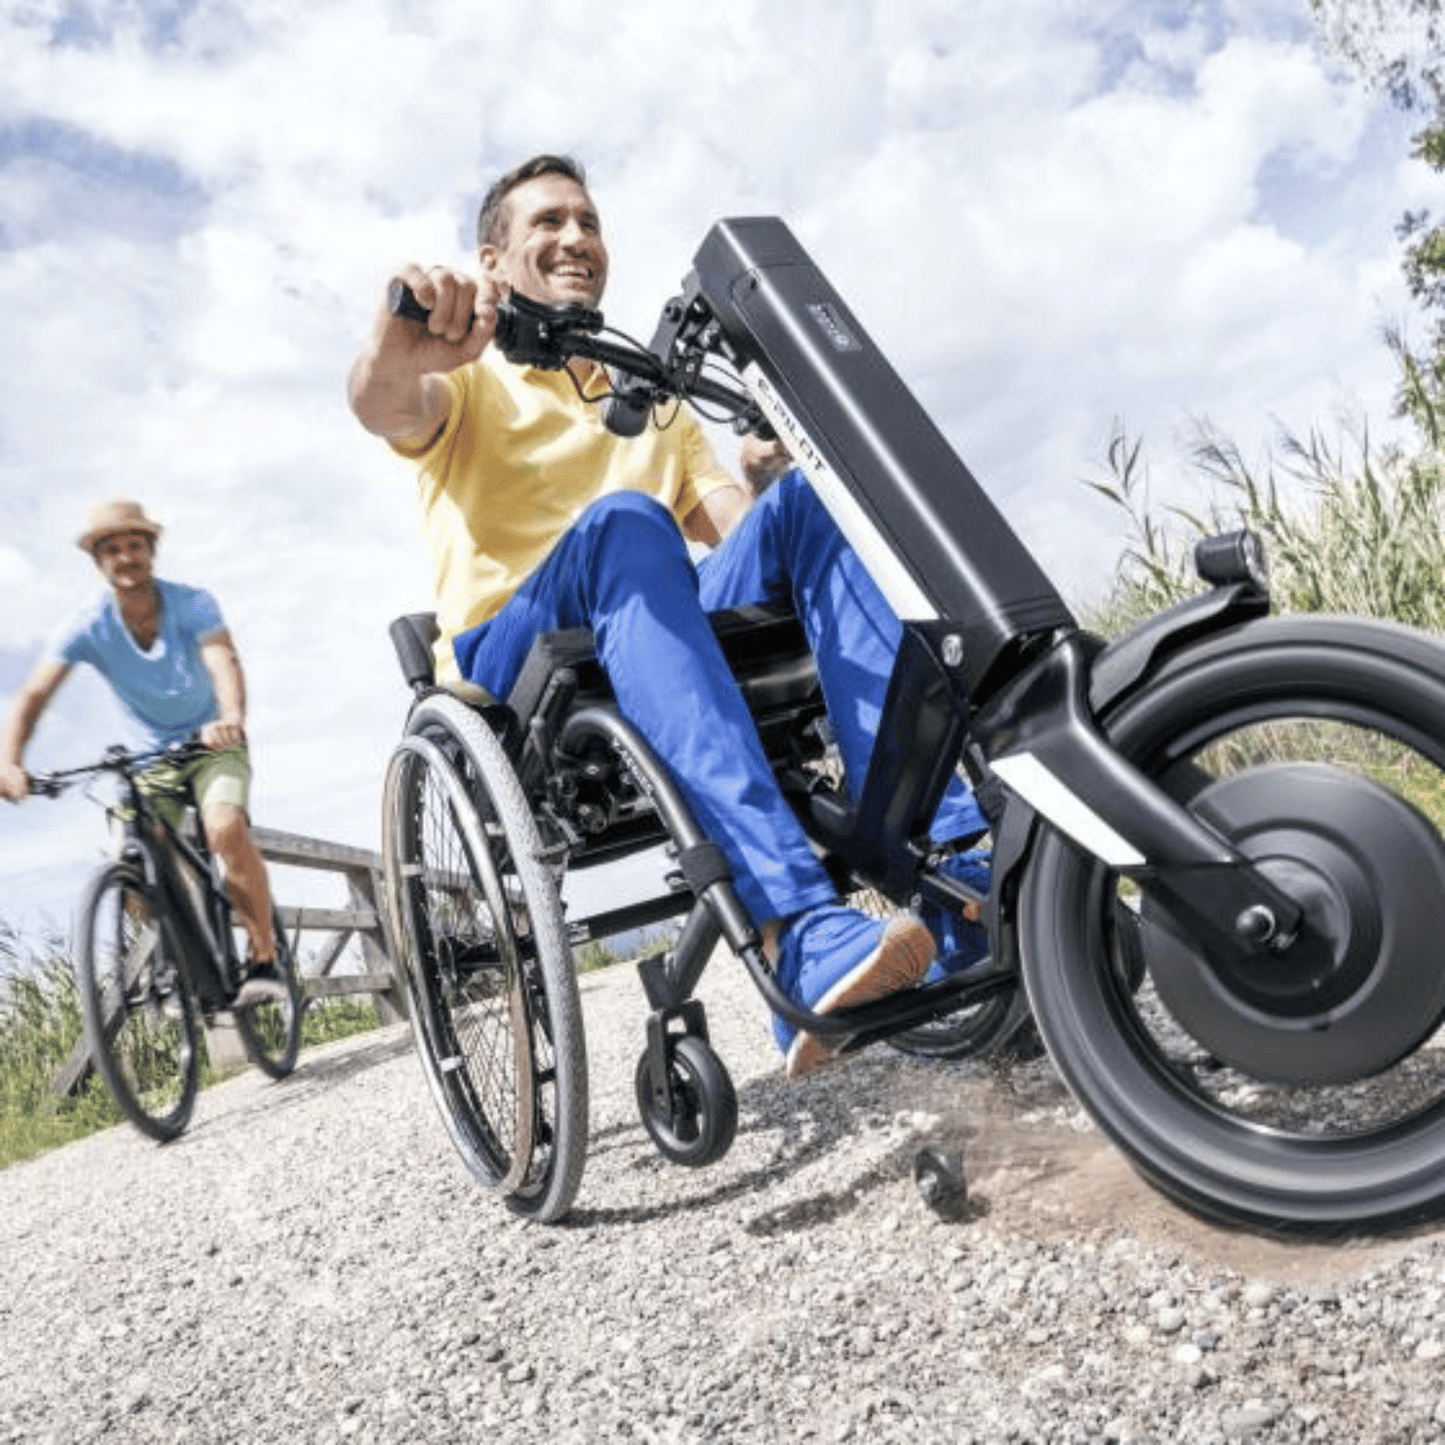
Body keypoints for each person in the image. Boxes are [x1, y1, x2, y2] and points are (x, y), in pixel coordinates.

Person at [348, 153, 986, 1078]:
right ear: (491, 262)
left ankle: (952, 866)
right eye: (549, 224)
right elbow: (384, 401)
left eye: (589, 222)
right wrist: (392, 348)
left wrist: (771, 488)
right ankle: (795, 927)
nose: (577, 239)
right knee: (627, 522)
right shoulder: (467, 375)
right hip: (519, 658)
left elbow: (735, 545)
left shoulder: (645, 395)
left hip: (653, 620)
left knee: (811, 501)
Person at [0, 499, 285, 1004]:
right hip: (148, 758)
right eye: (112, 549)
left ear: (151, 552)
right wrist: (9, 761)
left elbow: (222, 658)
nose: (125, 557)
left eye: (135, 545)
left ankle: (264, 957)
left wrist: (231, 716)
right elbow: (33, 697)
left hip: (209, 742)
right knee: (130, 866)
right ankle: (189, 956)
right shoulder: (86, 625)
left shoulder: (192, 602)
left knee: (224, 828)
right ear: (99, 563)